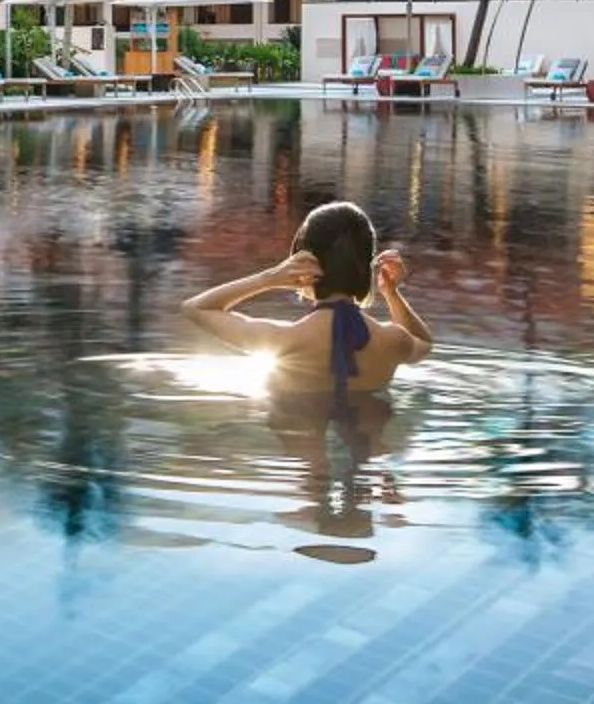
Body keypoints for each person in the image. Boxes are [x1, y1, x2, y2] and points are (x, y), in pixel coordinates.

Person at [181, 201, 434, 493]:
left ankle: (317, 495)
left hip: (300, 449)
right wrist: (391, 292)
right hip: (371, 450)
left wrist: (269, 279)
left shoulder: (284, 341)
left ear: (304, 261)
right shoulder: (392, 341)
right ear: (365, 267)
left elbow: (196, 309)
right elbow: (425, 342)